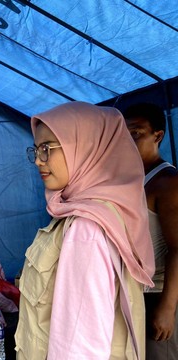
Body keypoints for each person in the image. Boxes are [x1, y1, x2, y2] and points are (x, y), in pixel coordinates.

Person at [15, 101, 155, 359]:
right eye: (35, 150)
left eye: (47, 149)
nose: (37, 160)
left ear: (85, 148)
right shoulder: (108, 212)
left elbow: (79, 349)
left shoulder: (87, 229)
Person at [124, 103, 178, 359]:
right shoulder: (135, 180)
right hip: (137, 296)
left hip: (159, 294)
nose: (128, 141)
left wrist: (167, 308)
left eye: (136, 133)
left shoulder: (168, 183)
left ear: (158, 135)